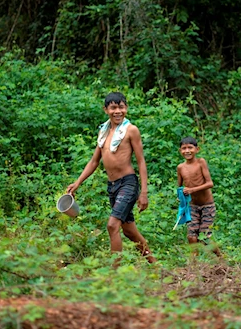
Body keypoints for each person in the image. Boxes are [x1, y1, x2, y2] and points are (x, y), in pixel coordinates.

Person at [66, 92, 156, 263]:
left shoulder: (131, 130)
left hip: (128, 183)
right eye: (113, 107)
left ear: (126, 109)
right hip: (112, 186)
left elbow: (141, 162)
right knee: (129, 230)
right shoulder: (104, 131)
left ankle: (115, 275)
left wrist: (144, 192)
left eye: (121, 107)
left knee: (112, 225)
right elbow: (94, 161)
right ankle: (156, 265)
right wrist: (78, 182)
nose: (118, 111)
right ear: (106, 109)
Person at [176, 136, 221, 256]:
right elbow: (180, 187)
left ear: (197, 149)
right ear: (180, 151)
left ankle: (221, 258)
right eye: (184, 148)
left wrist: (192, 189)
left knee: (205, 237)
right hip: (192, 206)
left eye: (190, 147)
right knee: (191, 237)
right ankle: (194, 264)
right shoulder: (180, 168)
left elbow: (210, 183)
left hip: (207, 205)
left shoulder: (201, 162)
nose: (187, 151)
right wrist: (181, 196)